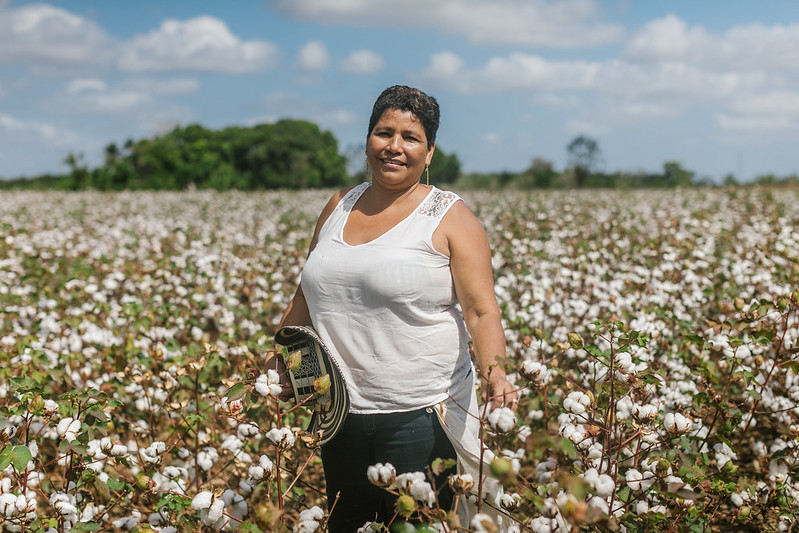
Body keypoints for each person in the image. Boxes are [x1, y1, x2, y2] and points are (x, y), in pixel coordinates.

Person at [275, 85, 518, 532]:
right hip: (340, 413)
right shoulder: (338, 205)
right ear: (367, 139)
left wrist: (495, 373)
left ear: (429, 153)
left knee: (421, 525)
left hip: (422, 415)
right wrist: (281, 360)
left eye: (410, 138)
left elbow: (482, 311)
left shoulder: (450, 217)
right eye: (384, 133)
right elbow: (307, 295)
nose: (394, 147)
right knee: (349, 524)